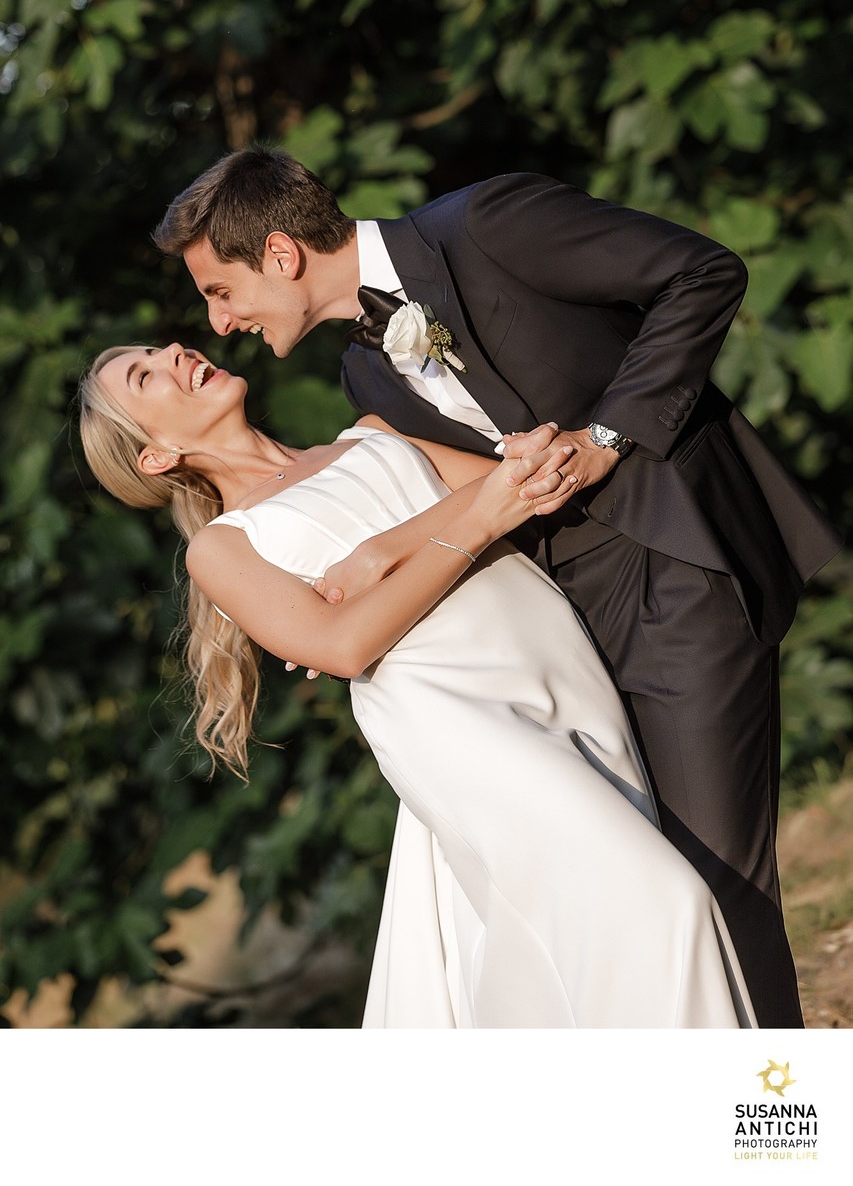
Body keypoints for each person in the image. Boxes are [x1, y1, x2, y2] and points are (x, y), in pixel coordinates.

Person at [153, 148, 843, 1028]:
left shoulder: (486, 224)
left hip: (674, 567)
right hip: (555, 645)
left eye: (220, 290)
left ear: (281, 255)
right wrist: (360, 580)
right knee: (614, 906)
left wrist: (606, 436)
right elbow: (480, 496)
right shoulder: (364, 375)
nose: (218, 321)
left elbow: (702, 272)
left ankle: (771, 1106)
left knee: (709, 883)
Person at [78, 341, 757, 1028]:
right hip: (451, 722)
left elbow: (520, 486)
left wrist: (388, 553)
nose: (174, 352)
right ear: (156, 457)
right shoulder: (222, 546)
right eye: (144, 374)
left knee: (582, 929)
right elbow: (344, 644)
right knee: (663, 899)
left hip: (557, 666)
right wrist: (480, 516)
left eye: (158, 348)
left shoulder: (371, 434)